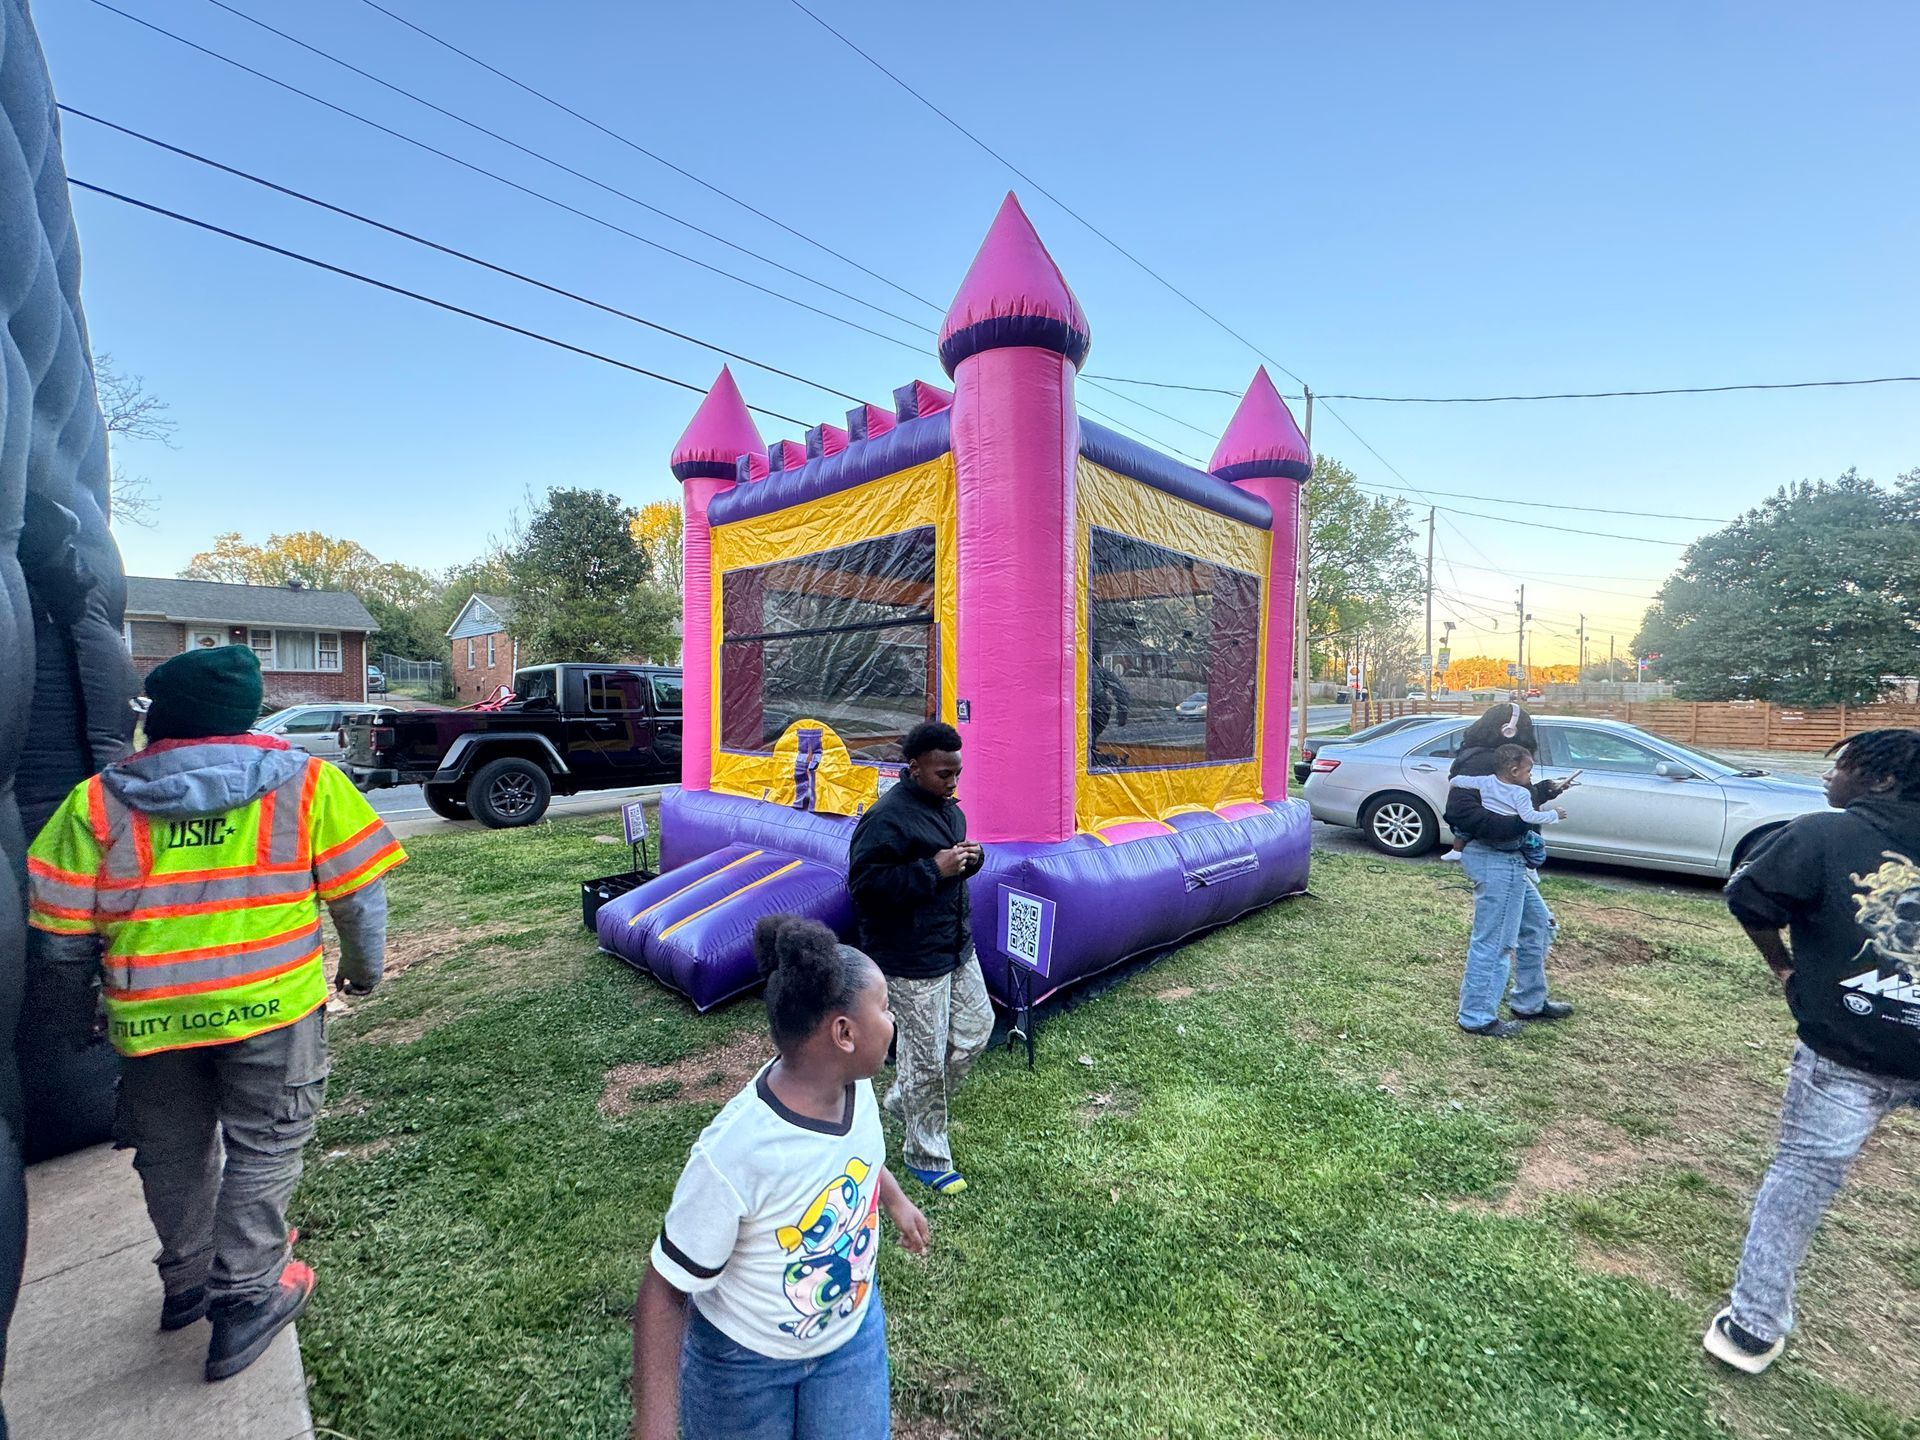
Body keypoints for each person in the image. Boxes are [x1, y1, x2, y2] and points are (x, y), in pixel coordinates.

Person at [25, 645, 404, 1381]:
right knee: (264, 1149)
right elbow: (359, 900)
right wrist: (362, 974)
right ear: (247, 713)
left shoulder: (95, 803)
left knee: (172, 1153)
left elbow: (59, 942)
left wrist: (74, 1023)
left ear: (160, 720)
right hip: (274, 1011)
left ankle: (190, 1280)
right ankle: (247, 1295)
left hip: (151, 1021)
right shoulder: (308, 785)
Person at [631, 916, 930, 1440]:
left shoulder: (854, 1090)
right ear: (843, 1033)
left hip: (850, 1338)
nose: (893, 1019)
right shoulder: (735, 1153)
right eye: (883, 1008)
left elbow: (857, 1160)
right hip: (743, 1367)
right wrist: (654, 1428)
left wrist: (896, 1201)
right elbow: (663, 1290)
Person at [1704, 729, 1920, 1375]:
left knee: (1802, 1177)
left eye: (1845, 764)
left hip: (1846, 1053)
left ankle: (1752, 1329)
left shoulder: (1823, 834)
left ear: (1882, 780)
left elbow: (1748, 896)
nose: (1832, 774)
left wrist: (1784, 970)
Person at [846, 720, 990, 1194]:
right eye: (943, 774)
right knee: (925, 1059)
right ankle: (926, 1154)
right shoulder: (886, 818)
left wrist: (972, 858)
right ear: (914, 768)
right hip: (909, 956)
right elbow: (864, 887)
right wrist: (934, 868)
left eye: (957, 773)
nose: (953, 783)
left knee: (975, 1032)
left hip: (954, 944)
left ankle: (904, 1095)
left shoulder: (948, 809)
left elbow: (953, 868)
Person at [1442, 703, 1576, 1038]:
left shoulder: (1502, 757)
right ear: (1509, 729)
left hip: (1511, 859)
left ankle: (1529, 1001)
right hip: (1495, 859)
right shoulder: (1480, 761)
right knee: (1496, 940)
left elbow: (1515, 797)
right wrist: (1515, 826)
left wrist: (1545, 789)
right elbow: (1460, 812)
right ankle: (1476, 1016)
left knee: (1539, 926)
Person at [1443, 743, 1565, 870]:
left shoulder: (1486, 781)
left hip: (1485, 836)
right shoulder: (1522, 793)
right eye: (1528, 771)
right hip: (1510, 841)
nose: (1530, 775)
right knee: (1537, 843)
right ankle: (1531, 867)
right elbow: (1529, 816)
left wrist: (1452, 785)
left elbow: (1459, 780)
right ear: (1515, 771)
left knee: (1463, 828)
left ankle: (1456, 850)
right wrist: (1554, 815)